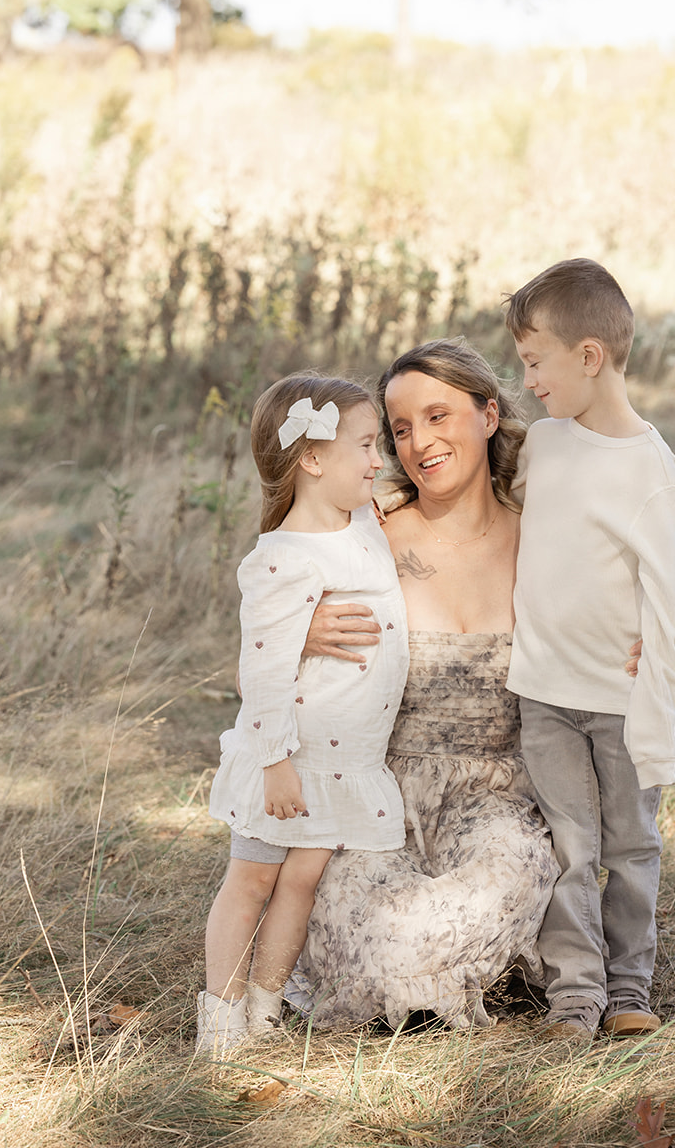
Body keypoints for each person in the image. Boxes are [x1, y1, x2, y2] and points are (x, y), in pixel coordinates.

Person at [287, 340, 561, 1030]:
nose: (420, 443)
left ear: (489, 414)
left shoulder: (546, 539)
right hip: (379, 793)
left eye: (438, 417)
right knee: (371, 927)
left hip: (499, 795)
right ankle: (416, 985)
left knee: (492, 884)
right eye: (401, 428)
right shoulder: (365, 536)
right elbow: (270, 627)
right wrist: (302, 627)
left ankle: (464, 975)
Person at [196, 373, 409, 1057]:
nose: (379, 460)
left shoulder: (363, 521)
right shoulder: (283, 559)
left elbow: (401, 493)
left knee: (303, 881)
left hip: (343, 762)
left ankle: (265, 1008)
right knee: (253, 879)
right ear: (312, 458)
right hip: (287, 760)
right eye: (367, 445)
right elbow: (261, 675)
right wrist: (275, 762)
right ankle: (221, 1023)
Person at [505, 258, 675, 1043]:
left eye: (534, 362)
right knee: (568, 849)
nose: (530, 381)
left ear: (588, 355)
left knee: (631, 846)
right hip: (542, 690)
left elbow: (668, 605)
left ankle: (630, 986)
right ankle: (575, 996)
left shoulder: (648, 467)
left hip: (618, 699)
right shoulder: (543, 443)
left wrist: (656, 721)